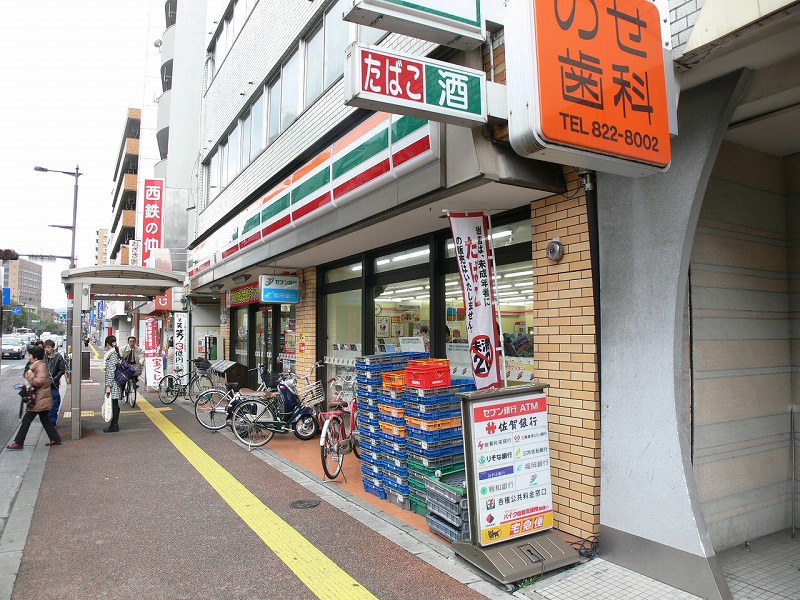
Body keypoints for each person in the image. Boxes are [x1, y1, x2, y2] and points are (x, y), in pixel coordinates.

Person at [7, 345, 62, 450]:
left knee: (27, 420)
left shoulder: (40, 366)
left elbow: (39, 381)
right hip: (40, 398)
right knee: (45, 420)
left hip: (38, 399)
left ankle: (18, 442)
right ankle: (55, 438)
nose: (29, 357)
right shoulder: (38, 365)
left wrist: (30, 376)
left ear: (36, 357)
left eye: (30, 355)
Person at [103, 335, 123, 433]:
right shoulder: (116, 353)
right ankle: (114, 424)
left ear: (107, 344)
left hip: (113, 383)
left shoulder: (112, 355)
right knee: (114, 404)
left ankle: (114, 425)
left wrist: (108, 386)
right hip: (116, 382)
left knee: (114, 404)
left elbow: (111, 371)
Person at [43, 339, 67, 426]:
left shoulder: (58, 357)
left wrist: (54, 379)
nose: (47, 349)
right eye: (45, 347)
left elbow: (62, 369)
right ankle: (48, 421)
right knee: (45, 404)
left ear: (53, 348)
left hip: (54, 384)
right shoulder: (43, 357)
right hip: (44, 385)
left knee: (55, 402)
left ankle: (52, 422)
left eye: (48, 347)